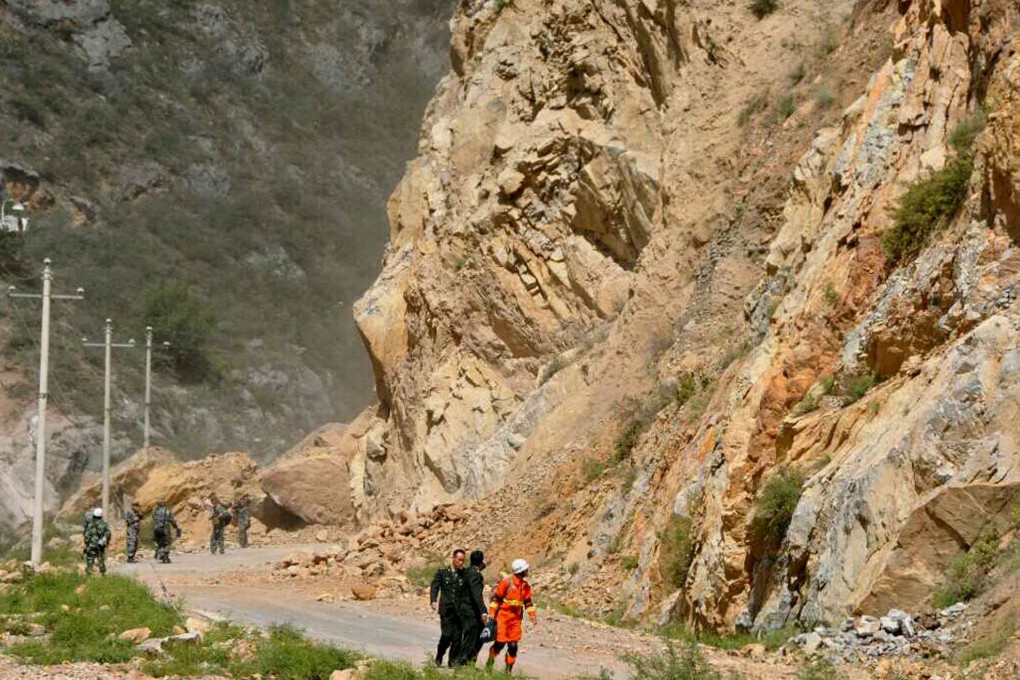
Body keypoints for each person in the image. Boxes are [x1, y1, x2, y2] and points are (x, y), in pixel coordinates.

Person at [486, 558, 538, 674]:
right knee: (499, 644)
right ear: (522, 571)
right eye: (526, 569)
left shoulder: (525, 586)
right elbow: (496, 599)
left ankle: (508, 672)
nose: (527, 570)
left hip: (515, 621)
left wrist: (532, 615)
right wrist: (491, 614)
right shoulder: (507, 583)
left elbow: (528, 602)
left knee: (513, 646)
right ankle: (489, 663)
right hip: (503, 619)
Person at [429, 548, 466, 667]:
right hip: (446, 609)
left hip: (459, 611)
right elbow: (435, 586)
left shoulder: (464, 573)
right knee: (446, 635)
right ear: (454, 559)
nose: (461, 562)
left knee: (457, 637)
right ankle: (440, 655)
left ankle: (452, 661)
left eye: (463, 560)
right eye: (459, 560)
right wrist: (433, 600)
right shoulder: (443, 572)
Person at [456, 549, 489, 666]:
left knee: (475, 633)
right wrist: (483, 611)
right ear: (480, 562)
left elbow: (475, 569)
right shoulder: (475, 575)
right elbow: (476, 595)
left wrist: (482, 565)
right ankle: (463, 661)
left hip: (462, 607)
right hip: (470, 609)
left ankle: (468, 660)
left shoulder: (467, 571)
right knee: (473, 634)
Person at [83, 508, 111, 575]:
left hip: (91, 545)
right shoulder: (105, 524)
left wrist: (86, 544)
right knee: (101, 559)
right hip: (100, 546)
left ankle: (89, 572)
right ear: (101, 516)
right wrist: (106, 543)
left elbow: (87, 535)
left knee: (90, 559)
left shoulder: (90, 524)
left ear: (94, 515)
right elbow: (108, 534)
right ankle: (103, 573)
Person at [152, 498, 180, 564]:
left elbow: (154, 518)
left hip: (156, 530)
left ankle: (161, 555)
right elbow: (172, 521)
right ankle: (165, 556)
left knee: (160, 543)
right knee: (166, 543)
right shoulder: (167, 511)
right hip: (165, 530)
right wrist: (176, 527)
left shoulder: (155, 512)